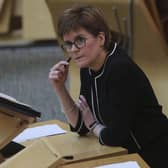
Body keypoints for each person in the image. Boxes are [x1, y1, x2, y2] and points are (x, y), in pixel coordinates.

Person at [49, 4, 168, 168]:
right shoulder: (88, 67)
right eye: (68, 44)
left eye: (80, 41)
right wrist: (60, 88)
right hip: (124, 153)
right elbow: (80, 127)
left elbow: (114, 137)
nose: (73, 50)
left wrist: (94, 126)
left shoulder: (120, 69)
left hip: (152, 155)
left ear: (101, 39)